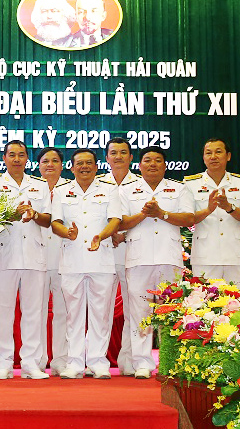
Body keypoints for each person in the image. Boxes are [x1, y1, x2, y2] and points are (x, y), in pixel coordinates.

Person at [118, 146, 194, 379]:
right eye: (148, 160)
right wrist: (144, 214)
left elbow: (189, 218)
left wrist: (162, 214)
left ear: (165, 165)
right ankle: (142, 363)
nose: (152, 164)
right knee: (140, 312)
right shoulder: (127, 190)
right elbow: (120, 223)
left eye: (158, 160)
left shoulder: (179, 189)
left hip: (169, 258)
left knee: (170, 311)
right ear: (139, 165)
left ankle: (170, 361)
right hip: (138, 258)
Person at [0, 141, 52, 380]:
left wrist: (34, 214)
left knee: (33, 312)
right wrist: (12, 214)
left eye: (21, 155)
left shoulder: (40, 185)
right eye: (12, 155)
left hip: (33, 255)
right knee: (3, 312)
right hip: (4, 255)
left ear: (27, 158)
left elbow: (48, 220)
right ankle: (4, 363)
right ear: (4, 158)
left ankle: (30, 362)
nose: (17, 159)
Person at [49, 149, 121, 379]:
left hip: (102, 258)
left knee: (101, 313)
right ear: (72, 168)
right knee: (73, 314)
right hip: (72, 260)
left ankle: (98, 363)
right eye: (79, 163)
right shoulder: (62, 191)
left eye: (89, 163)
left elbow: (115, 220)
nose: (84, 167)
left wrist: (102, 236)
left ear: (96, 167)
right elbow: (55, 223)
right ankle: (74, 363)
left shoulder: (109, 189)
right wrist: (67, 233)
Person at [185, 139, 240, 288]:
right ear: (203, 158)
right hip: (205, 256)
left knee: (238, 299)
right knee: (203, 300)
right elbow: (187, 219)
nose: (213, 157)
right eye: (208, 153)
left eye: (218, 152)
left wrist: (229, 207)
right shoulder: (191, 184)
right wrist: (208, 210)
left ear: (228, 156)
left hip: (234, 255)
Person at [104, 137, 137, 375]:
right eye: (113, 153)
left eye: (123, 152)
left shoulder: (141, 184)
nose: (118, 157)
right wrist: (110, 233)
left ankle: (129, 360)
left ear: (131, 157)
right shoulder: (97, 183)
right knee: (101, 310)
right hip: (104, 252)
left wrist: (123, 234)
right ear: (107, 158)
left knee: (133, 309)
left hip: (132, 251)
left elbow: (144, 217)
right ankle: (96, 359)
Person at [36, 147, 69, 376]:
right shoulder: (32, 187)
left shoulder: (71, 189)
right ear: (38, 165)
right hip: (36, 258)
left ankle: (61, 360)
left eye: (55, 160)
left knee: (63, 312)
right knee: (35, 312)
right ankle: (37, 360)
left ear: (62, 165)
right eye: (45, 161)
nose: (50, 164)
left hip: (64, 257)